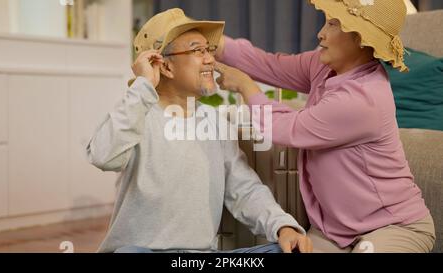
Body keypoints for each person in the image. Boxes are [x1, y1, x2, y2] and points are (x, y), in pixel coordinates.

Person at [213, 0, 435, 253]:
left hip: (392, 226)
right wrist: (217, 45)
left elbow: (286, 128)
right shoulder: (323, 66)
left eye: (333, 24)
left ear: (361, 39)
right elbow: (270, 65)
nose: (321, 33)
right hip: (332, 233)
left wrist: (245, 86)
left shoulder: (364, 99)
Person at [86, 8, 312, 253]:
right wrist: (142, 86)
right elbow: (103, 155)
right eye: (197, 50)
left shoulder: (214, 122)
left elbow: (245, 190)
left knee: (286, 251)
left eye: (209, 50)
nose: (210, 60)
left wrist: (283, 227)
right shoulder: (137, 114)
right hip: (140, 251)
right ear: (165, 66)